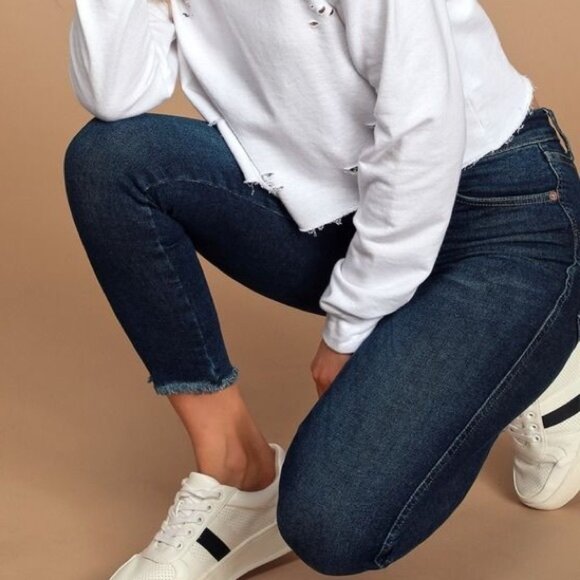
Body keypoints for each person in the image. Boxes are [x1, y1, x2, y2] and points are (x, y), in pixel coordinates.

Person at [63, 0, 580, 578]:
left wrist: (349, 328)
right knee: (110, 162)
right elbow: (116, 94)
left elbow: (424, 133)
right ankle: (237, 472)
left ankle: (535, 352)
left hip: (500, 212)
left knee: (331, 524)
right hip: (350, 209)